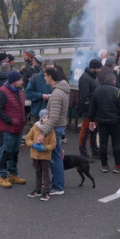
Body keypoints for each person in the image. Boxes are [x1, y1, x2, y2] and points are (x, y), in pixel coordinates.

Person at [37, 67, 70, 195]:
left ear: (51, 77)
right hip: (60, 127)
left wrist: (43, 133)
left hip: (55, 128)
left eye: (45, 76)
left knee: (55, 158)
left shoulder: (56, 94)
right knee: (56, 156)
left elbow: (54, 117)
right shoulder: (63, 90)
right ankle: (57, 183)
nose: (44, 78)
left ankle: (58, 186)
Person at [88, 70, 120, 173]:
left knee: (103, 143)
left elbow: (92, 109)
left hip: (102, 122)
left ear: (105, 81)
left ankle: (104, 166)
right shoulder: (118, 92)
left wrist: (91, 121)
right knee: (116, 144)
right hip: (115, 122)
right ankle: (118, 166)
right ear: (114, 81)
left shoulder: (97, 91)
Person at [0, 70, 27, 188]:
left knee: (15, 152)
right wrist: (10, 121)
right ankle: (2, 176)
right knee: (5, 152)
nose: (22, 81)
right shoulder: (3, 92)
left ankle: (13, 174)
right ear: (13, 81)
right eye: (20, 80)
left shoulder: (19, 91)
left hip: (18, 128)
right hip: (8, 128)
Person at [25, 108, 57, 201]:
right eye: (44, 117)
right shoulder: (35, 128)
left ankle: (46, 192)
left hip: (45, 156)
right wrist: (32, 144)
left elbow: (53, 144)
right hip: (34, 155)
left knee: (45, 173)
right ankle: (37, 190)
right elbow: (28, 139)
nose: (46, 119)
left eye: (48, 117)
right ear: (40, 118)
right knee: (37, 172)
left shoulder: (51, 130)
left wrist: (45, 148)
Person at [77, 58, 101, 158]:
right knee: (85, 130)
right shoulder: (85, 78)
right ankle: (83, 152)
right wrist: (89, 111)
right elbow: (84, 97)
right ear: (94, 68)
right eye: (99, 68)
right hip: (89, 110)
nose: (100, 70)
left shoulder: (92, 77)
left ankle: (94, 151)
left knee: (93, 130)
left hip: (94, 109)